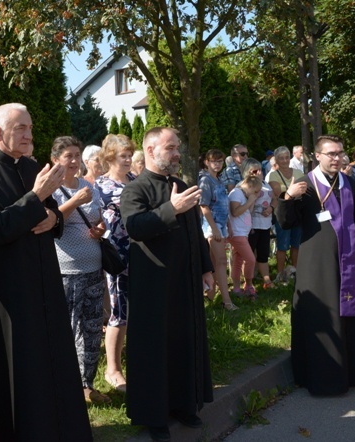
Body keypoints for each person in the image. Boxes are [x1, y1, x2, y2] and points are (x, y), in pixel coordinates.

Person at [0, 103, 92, 440]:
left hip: (43, 281)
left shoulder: (34, 166)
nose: (29, 135)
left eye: (30, 128)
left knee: (48, 361)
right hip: (6, 290)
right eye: (21, 128)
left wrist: (55, 218)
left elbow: (49, 215)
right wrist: (37, 197)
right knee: (15, 367)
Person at [120, 127, 214, 441]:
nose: (176, 153)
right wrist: (171, 209)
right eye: (170, 147)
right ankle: (154, 416)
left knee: (184, 342)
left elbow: (195, 232)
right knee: (154, 349)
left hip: (185, 281)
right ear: (150, 150)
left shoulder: (181, 185)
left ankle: (186, 404)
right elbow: (135, 227)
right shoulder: (135, 190)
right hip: (154, 286)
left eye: (177, 148)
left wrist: (206, 267)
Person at [277, 134, 355, 396]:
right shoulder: (304, 183)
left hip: (348, 258)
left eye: (340, 153)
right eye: (331, 153)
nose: (337, 158)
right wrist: (287, 197)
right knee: (322, 315)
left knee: (349, 314)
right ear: (317, 156)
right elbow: (286, 223)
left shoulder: (349, 182)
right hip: (316, 263)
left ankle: (353, 373)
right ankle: (323, 378)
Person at [50, 136, 110, 404]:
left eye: (77, 155)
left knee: (93, 328)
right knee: (70, 330)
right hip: (67, 270)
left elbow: (98, 219)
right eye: (68, 156)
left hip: (94, 267)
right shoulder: (49, 189)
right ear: (55, 160)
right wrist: (74, 201)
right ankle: (66, 387)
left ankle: (87, 385)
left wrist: (100, 229)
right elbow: (49, 223)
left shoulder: (88, 185)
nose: (74, 161)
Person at [95, 133, 135, 393]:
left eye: (130, 154)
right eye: (124, 155)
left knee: (135, 312)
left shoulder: (135, 180)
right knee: (119, 313)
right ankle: (112, 369)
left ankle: (133, 362)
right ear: (110, 157)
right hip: (117, 255)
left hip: (139, 252)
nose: (129, 159)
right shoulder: (100, 186)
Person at [198, 149, 237, 310]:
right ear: (207, 162)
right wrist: (214, 229)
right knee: (221, 261)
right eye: (214, 161)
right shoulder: (205, 180)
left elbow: (223, 204)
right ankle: (226, 300)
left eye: (220, 161)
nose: (217, 164)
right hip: (211, 225)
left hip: (221, 224)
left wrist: (228, 225)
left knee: (215, 262)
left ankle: (211, 295)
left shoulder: (219, 180)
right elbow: (204, 206)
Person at [266, 146, 304, 284]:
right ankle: (281, 274)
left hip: (298, 212)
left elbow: (304, 189)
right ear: (276, 159)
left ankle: (295, 271)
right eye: (281, 158)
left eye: (287, 157)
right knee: (282, 245)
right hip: (282, 214)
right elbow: (277, 192)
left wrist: (289, 192)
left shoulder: (299, 172)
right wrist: (294, 190)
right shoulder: (273, 175)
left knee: (296, 244)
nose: (285, 160)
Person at [242, 158, 276, 290]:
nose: (259, 172)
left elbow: (274, 199)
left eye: (260, 169)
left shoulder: (266, 184)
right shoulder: (243, 186)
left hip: (265, 224)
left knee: (263, 253)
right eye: (254, 170)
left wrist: (271, 208)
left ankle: (266, 280)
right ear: (247, 172)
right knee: (248, 255)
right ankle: (247, 283)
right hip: (250, 225)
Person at [228, 175, 262, 299]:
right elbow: (235, 212)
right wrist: (249, 201)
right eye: (256, 191)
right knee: (251, 259)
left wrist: (251, 200)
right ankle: (248, 285)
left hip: (243, 232)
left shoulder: (244, 194)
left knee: (238, 260)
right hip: (237, 233)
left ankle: (236, 288)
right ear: (249, 186)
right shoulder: (237, 193)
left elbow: (248, 211)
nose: (256, 194)